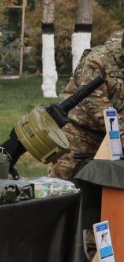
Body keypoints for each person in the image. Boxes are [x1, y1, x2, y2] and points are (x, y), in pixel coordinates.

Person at [48, 30, 124, 179]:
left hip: (113, 140)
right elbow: (96, 102)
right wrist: (121, 135)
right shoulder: (98, 59)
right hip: (80, 135)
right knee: (63, 187)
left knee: (107, 190)